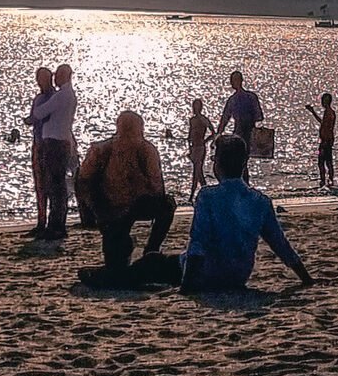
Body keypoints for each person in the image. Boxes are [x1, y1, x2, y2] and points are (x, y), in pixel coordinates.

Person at [181, 134, 313, 292]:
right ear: (244, 164)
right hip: (238, 275)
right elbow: (280, 244)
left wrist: (186, 287)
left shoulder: (207, 196)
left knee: (153, 262)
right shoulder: (261, 201)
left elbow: (198, 243)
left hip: (208, 273)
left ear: (218, 163)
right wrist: (306, 278)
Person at [75, 111, 177, 285]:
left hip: (121, 208)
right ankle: (145, 252)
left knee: (165, 206)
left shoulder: (108, 150)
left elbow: (83, 183)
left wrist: (93, 211)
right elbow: (158, 189)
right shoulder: (108, 150)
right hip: (112, 210)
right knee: (117, 260)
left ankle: (149, 251)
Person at [30, 63, 76, 241]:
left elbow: (40, 113)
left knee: (55, 185)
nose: (55, 79)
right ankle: (54, 224)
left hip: (55, 143)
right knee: (55, 185)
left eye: (57, 75)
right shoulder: (65, 95)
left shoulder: (61, 95)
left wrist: (34, 114)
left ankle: (56, 225)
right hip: (57, 141)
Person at [23, 66, 55, 237]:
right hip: (41, 141)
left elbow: (37, 117)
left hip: (45, 143)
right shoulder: (46, 97)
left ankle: (46, 221)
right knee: (42, 184)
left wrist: (30, 119)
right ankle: (42, 220)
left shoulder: (48, 98)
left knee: (46, 184)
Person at [217, 70, 264, 180]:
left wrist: (219, 133)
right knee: (243, 162)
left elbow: (225, 118)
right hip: (249, 132)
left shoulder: (233, 100)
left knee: (239, 163)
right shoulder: (251, 97)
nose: (231, 83)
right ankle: (244, 184)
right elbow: (259, 117)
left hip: (239, 134)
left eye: (232, 81)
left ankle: (242, 184)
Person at [305, 94, 336, 189]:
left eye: (324, 100)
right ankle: (328, 179)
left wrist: (326, 140)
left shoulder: (329, 112)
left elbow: (326, 126)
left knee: (323, 161)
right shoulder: (329, 112)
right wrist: (313, 112)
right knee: (326, 161)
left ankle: (325, 179)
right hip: (326, 140)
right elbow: (323, 123)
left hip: (326, 141)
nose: (322, 102)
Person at [187, 98, 215, 201]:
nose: (194, 109)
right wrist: (189, 147)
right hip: (194, 148)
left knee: (197, 172)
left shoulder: (203, 119)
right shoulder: (192, 120)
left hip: (200, 148)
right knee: (198, 172)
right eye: (193, 106)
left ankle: (192, 196)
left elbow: (213, 132)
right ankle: (205, 192)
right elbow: (190, 135)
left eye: (196, 106)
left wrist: (205, 141)